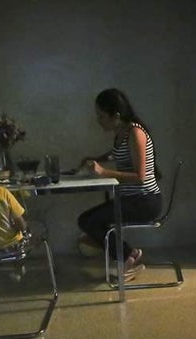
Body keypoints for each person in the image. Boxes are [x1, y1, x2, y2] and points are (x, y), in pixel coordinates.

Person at [78, 88, 162, 282]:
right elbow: (117, 153)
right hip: (132, 199)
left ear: (115, 115)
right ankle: (128, 254)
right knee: (86, 220)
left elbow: (140, 176)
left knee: (90, 222)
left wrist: (104, 172)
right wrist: (96, 159)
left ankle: (126, 256)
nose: (98, 120)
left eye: (101, 116)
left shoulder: (135, 133)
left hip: (145, 201)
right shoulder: (121, 133)